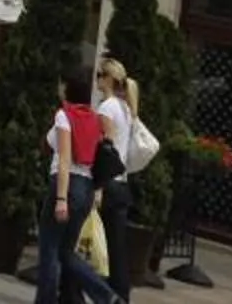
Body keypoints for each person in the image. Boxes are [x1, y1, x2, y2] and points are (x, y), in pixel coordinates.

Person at [38, 72, 117, 304]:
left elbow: (64, 159)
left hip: (65, 184)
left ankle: (46, 301)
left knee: (50, 248)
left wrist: (61, 198)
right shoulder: (93, 119)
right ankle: (105, 295)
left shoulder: (65, 116)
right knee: (66, 251)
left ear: (68, 90)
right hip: (86, 187)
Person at [94, 56, 154, 302]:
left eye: (100, 75)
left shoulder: (107, 107)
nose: (97, 79)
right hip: (121, 182)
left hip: (108, 182)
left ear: (109, 78)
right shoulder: (126, 108)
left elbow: (105, 145)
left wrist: (97, 185)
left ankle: (104, 291)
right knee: (116, 244)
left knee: (98, 241)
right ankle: (120, 292)